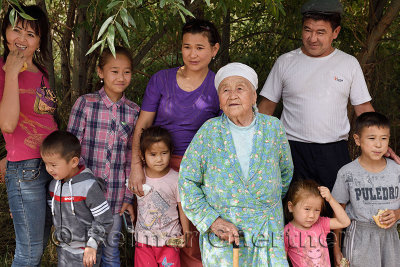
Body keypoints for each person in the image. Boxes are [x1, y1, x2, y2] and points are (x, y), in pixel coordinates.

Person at [179, 62, 293, 266]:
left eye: (240, 88)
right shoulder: (209, 132)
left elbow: (285, 172)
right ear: (220, 101)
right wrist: (212, 221)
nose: (232, 95)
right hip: (224, 233)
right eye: (225, 90)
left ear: (254, 96)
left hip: (267, 229)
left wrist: (261, 201)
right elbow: (187, 180)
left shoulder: (273, 128)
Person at [129, 18, 221, 266]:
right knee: (158, 230)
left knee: (191, 234)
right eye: (187, 46)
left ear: (214, 50)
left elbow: (224, 136)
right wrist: (137, 166)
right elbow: (142, 126)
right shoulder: (161, 79)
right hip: (158, 166)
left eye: (200, 47)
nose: (192, 54)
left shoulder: (218, 85)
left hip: (198, 170)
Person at [258, 0, 375, 190]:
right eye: (307, 30)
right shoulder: (285, 62)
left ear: (335, 33)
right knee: (293, 210)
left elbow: (363, 108)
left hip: (334, 151)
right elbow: (266, 108)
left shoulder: (348, 63)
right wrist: (252, 143)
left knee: (335, 209)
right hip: (291, 149)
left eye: (320, 32)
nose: (312, 38)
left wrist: (380, 141)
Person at [67, 46, 139, 266]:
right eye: (114, 71)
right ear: (100, 72)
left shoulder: (134, 111)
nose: (121, 77)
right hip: (86, 199)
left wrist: (128, 198)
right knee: (87, 253)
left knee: (111, 251)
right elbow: (71, 151)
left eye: (126, 72)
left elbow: (131, 159)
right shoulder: (86, 104)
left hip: (116, 197)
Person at [0, 4, 58, 266]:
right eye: (17, 30)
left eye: (31, 34)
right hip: (25, 170)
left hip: (50, 168)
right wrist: (12, 71)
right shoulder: (1, 71)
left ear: (40, 40)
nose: (22, 39)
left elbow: (45, 120)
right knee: (29, 252)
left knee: (41, 243)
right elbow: (8, 125)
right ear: (5, 32)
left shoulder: (42, 73)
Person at [332, 112, 400, 267]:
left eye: (384, 138)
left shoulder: (397, 170)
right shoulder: (347, 173)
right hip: (359, 239)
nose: (378, 144)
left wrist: (397, 214)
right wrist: (336, 250)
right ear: (357, 140)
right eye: (372, 138)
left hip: (391, 240)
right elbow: (338, 213)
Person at [41, 131, 113, 267]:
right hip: (63, 250)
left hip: (86, 252)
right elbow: (50, 214)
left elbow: (105, 219)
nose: (49, 169)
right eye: (46, 164)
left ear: (74, 162)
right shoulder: (53, 186)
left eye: (54, 165)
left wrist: (92, 244)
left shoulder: (88, 186)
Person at [134, 126, 189, 267]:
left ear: (171, 152)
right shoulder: (138, 177)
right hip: (143, 241)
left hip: (170, 240)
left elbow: (182, 207)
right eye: (153, 154)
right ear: (142, 155)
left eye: (164, 153)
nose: (159, 159)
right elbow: (131, 196)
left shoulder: (176, 179)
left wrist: (186, 231)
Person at [284, 179, 350, 267]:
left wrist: (330, 199)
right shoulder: (287, 232)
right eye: (307, 209)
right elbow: (281, 260)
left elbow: (345, 222)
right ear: (291, 207)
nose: (312, 215)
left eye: (317, 210)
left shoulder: (321, 224)